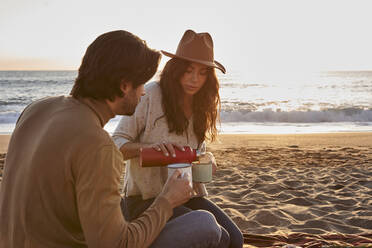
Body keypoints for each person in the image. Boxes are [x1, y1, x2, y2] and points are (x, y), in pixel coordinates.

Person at [0, 30, 229, 248]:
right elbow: (117, 244)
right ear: (124, 85)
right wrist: (167, 200)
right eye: (141, 84)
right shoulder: (98, 146)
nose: (143, 92)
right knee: (205, 225)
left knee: (226, 235)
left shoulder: (36, 109)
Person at [112, 29, 244, 248]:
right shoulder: (151, 95)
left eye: (202, 73)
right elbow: (115, 144)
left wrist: (207, 160)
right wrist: (147, 148)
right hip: (146, 200)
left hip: (187, 196)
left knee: (236, 239)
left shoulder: (202, 104)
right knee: (219, 236)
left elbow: (197, 154)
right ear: (176, 69)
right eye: (189, 70)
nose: (194, 79)